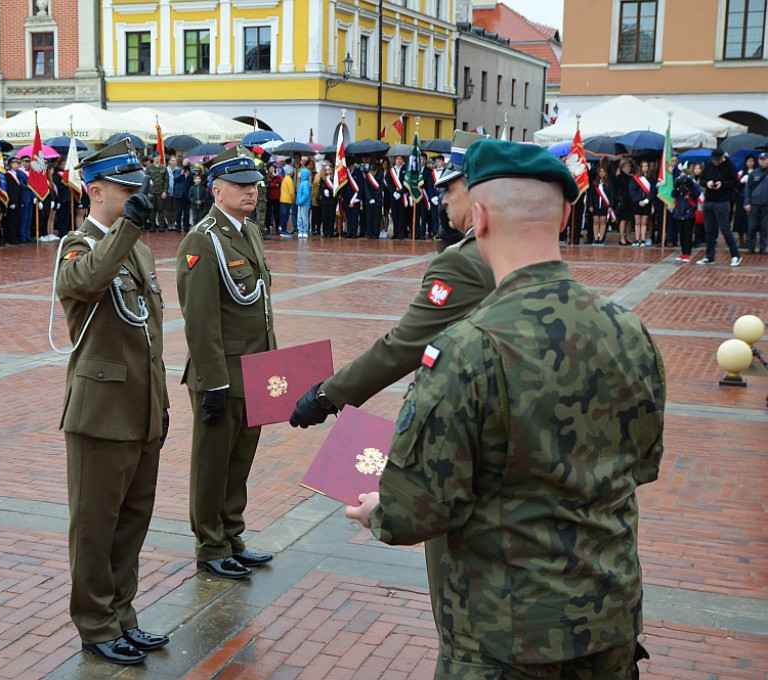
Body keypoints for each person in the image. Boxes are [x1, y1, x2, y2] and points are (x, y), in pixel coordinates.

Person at [345, 138, 665, 679]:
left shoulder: (467, 348)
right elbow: (642, 463)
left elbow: (414, 512)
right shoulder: (628, 329)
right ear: (566, 215)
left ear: (481, 215)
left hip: (507, 639)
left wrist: (376, 509)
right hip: (609, 621)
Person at [290, 131, 493, 629]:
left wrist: (326, 395)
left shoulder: (465, 262)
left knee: (461, 600)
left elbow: (404, 345)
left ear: (479, 193)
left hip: (465, 439)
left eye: (452, 189)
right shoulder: (508, 256)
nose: (442, 198)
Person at [54, 139, 169, 666]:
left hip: (142, 409)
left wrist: (161, 404)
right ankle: (95, 623)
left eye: (136, 189)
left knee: (131, 523)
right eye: (125, 189)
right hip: (101, 414)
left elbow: (151, 334)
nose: (134, 197)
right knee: (95, 527)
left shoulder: (137, 248)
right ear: (95, 190)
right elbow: (88, 280)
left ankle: (123, 616)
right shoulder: (76, 247)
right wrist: (126, 230)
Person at [175, 146, 276, 581]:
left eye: (253, 184)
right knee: (213, 464)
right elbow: (200, 319)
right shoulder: (203, 238)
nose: (250, 191)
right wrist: (213, 380)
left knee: (240, 461)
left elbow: (262, 307)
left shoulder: (248, 231)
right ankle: (210, 544)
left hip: (254, 370)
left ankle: (232, 535)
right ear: (217, 190)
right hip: (222, 374)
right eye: (240, 185)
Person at [697, 148, 742, 266]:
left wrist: (722, 184)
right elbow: (701, 179)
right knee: (709, 230)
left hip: (722, 201)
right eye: (714, 160)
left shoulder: (729, 165)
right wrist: (707, 183)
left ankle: (736, 255)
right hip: (709, 201)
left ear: (722, 158)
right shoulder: (709, 165)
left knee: (725, 229)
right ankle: (709, 257)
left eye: (717, 160)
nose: (715, 162)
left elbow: (735, 182)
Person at [671, 164, 702, 263]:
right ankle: (683, 253)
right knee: (682, 234)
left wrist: (690, 184)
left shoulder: (692, 185)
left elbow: (697, 193)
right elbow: (673, 194)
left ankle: (688, 253)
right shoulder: (679, 187)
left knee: (688, 234)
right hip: (679, 212)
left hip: (689, 212)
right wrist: (677, 185)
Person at [743, 151, 768, 255]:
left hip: (766, 204)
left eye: (764, 159)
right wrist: (747, 203)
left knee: (765, 227)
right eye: (760, 159)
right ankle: (751, 247)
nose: (762, 161)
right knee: (752, 227)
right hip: (754, 204)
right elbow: (748, 189)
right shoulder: (754, 173)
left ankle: (763, 248)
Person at [587, 164, 615, 246]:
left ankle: (601, 239)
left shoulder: (609, 183)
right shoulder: (594, 183)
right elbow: (591, 195)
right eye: (600, 172)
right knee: (595, 222)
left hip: (604, 206)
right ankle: (595, 238)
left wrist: (610, 206)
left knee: (603, 222)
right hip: (595, 205)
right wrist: (590, 205)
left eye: (603, 172)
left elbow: (612, 195)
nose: (602, 173)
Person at [295, 166, 311, 238]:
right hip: (301, 203)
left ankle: (304, 231)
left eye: (299, 172)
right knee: (300, 218)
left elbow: (306, 194)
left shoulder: (304, 183)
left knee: (304, 218)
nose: (298, 173)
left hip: (304, 203)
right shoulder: (303, 183)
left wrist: (300, 201)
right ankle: (300, 231)